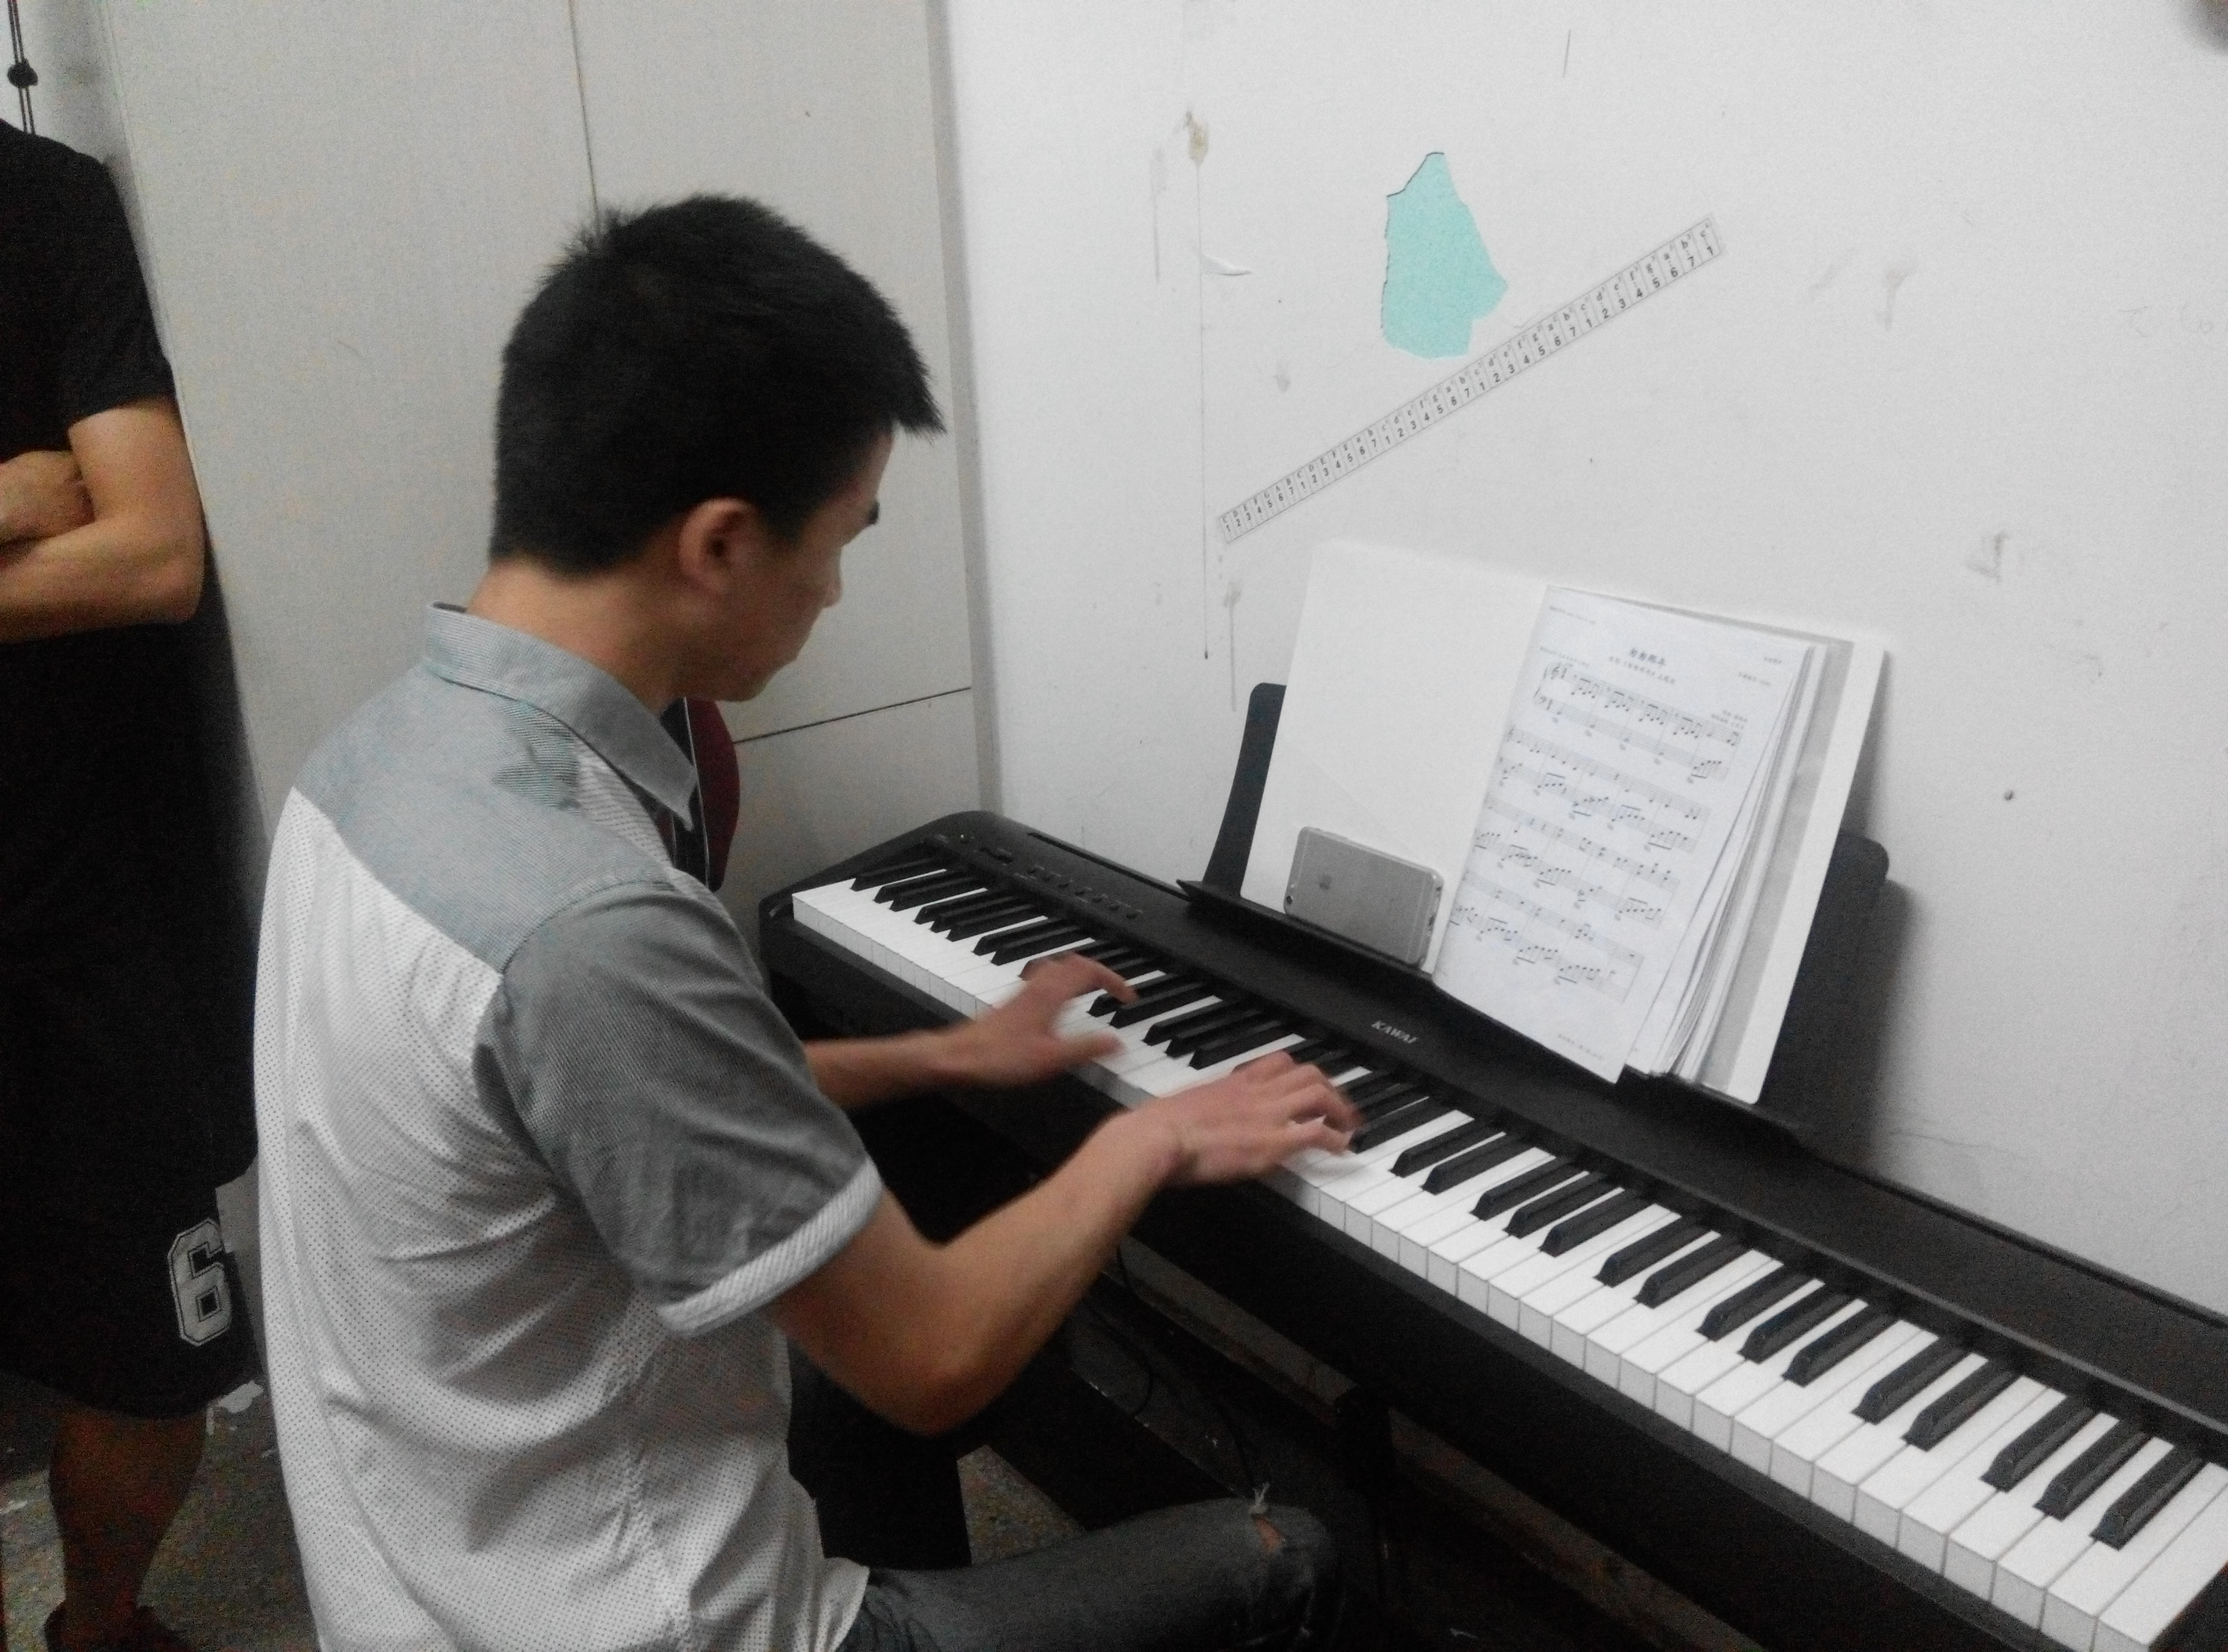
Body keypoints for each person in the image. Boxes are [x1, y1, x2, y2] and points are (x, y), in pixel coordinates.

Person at [254, 194, 1357, 1652]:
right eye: (840, 541)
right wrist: (1147, 1140)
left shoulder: (366, 773)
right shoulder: (591, 923)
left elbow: (611, 1099)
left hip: (418, 1557)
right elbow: (933, 1356)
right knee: (1289, 1554)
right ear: (719, 544)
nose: (833, 590)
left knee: (870, 1365)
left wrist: (950, 1057)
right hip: (636, 1623)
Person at [1, 120, 258, 1652]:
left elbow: (157, 555)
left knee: (161, 1364)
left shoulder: (39, 204)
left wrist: (73, 512)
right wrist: (18, 501)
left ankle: (99, 1632)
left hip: (79, 917)